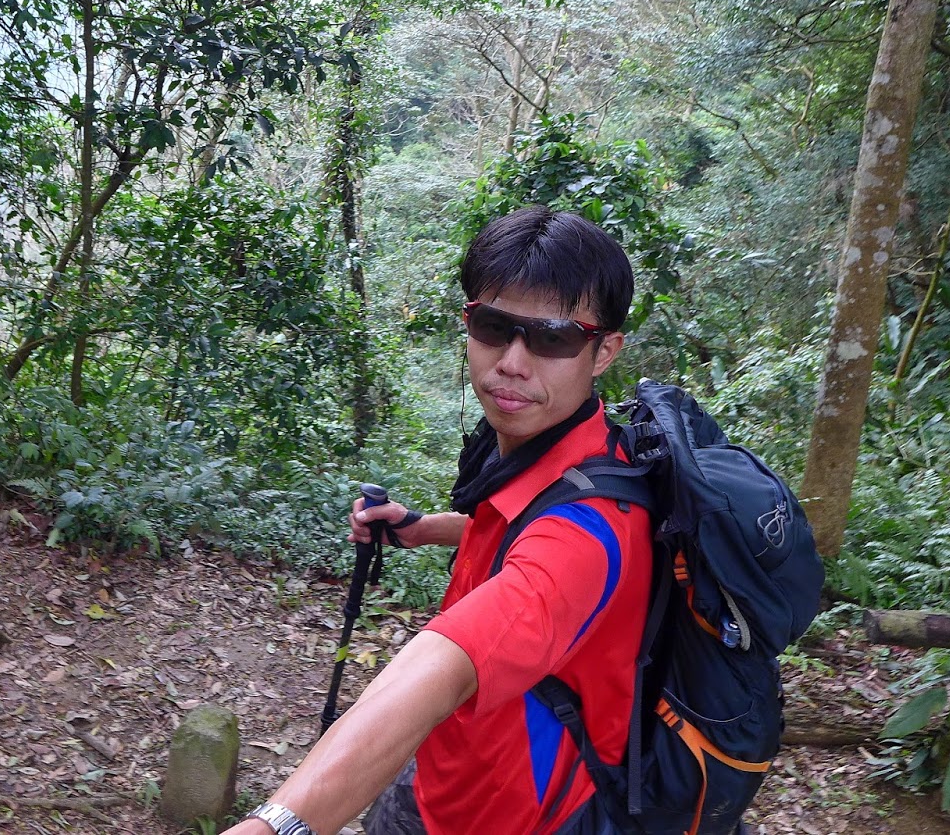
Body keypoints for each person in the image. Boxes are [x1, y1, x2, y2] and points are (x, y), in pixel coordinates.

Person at [221, 206, 653, 835]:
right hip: (449, 762)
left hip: (504, 813)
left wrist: (272, 827)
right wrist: (422, 527)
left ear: (604, 350)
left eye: (553, 338)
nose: (512, 361)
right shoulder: (553, 451)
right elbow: (510, 530)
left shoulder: (590, 531)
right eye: (494, 326)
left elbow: (439, 669)